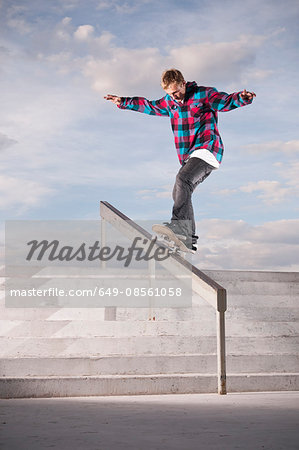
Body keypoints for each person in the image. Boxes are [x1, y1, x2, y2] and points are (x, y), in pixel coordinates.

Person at [104, 68, 256, 252]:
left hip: (208, 148)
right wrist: (124, 102)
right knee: (180, 190)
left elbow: (224, 101)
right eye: (169, 93)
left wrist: (242, 97)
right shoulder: (170, 102)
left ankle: (180, 228)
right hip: (190, 156)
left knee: (182, 180)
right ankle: (188, 240)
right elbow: (149, 106)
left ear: (183, 84)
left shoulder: (203, 94)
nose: (174, 96)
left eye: (176, 91)